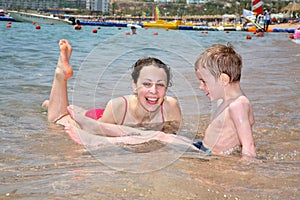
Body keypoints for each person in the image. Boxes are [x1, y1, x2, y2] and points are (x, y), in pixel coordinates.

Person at [65, 43, 257, 158]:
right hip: (202, 147)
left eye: (204, 82)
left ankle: (96, 141)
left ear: (224, 80)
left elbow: (248, 146)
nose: (201, 87)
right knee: (142, 133)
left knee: (157, 136)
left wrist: (244, 171)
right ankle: (93, 125)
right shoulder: (226, 100)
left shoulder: (239, 105)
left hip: (208, 155)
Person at [42, 39, 181, 136]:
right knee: (56, 120)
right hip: (99, 119)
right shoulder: (117, 106)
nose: (154, 91)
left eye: (160, 84)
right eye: (147, 84)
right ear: (134, 85)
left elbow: (171, 136)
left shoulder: (171, 106)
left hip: (107, 118)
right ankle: (60, 73)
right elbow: (92, 134)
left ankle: (49, 103)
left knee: (53, 106)